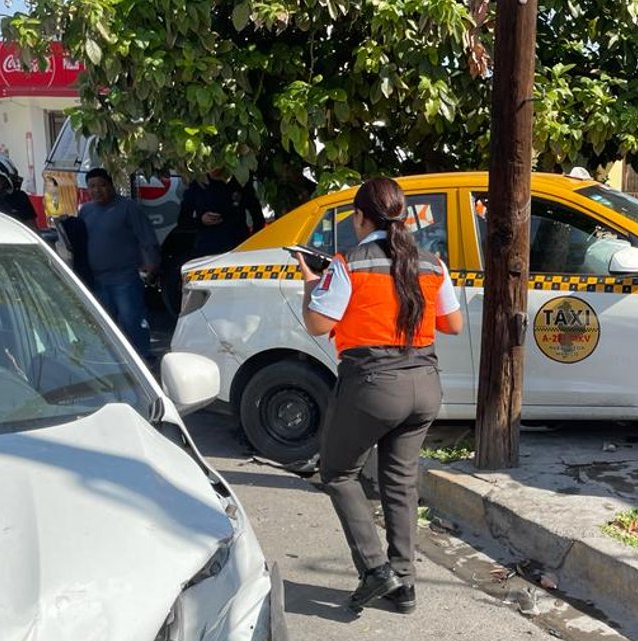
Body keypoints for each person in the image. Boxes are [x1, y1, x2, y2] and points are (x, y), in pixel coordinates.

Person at [295, 177, 463, 614]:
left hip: (371, 385)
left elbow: (317, 324)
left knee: (337, 473)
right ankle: (404, 584)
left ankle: (375, 570)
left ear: (360, 217)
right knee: (400, 482)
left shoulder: (348, 264)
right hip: (424, 385)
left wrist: (311, 285)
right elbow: (453, 325)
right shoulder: (431, 264)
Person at [77, 167, 160, 359]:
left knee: (132, 321)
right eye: (92, 186)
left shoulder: (127, 207)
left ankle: (143, 359)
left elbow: (146, 237)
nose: (97, 190)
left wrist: (152, 264)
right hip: (97, 279)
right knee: (105, 324)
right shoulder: (86, 211)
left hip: (125, 277)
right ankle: (115, 363)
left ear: (111, 185)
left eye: (102, 185)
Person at [178, 168, 266, 258]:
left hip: (238, 248)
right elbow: (183, 221)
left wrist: (254, 245)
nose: (213, 168)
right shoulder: (197, 185)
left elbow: (258, 217)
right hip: (207, 250)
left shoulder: (238, 182)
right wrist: (201, 220)